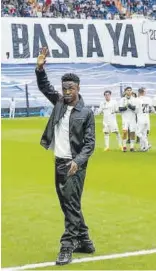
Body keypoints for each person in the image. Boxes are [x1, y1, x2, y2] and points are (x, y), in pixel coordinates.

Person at [35, 47, 95, 265]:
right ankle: (85, 242)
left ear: (78, 88)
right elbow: (44, 87)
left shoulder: (86, 113)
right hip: (59, 162)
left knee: (70, 206)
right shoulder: (59, 103)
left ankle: (67, 247)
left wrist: (77, 163)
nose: (67, 91)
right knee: (68, 205)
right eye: (64, 88)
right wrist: (40, 68)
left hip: (74, 166)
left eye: (70, 88)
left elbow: (90, 144)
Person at [119, 87, 137, 152]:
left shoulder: (134, 99)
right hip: (125, 118)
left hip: (132, 118)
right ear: (125, 92)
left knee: (132, 132)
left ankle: (132, 147)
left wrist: (130, 106)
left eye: (130, 90)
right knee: (124, 132)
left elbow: (135, 108)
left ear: (131, 91)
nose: (129, 92)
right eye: (127, 90)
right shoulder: (122, 99)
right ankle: (124, 146)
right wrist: (127, 107)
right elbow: (120, 109)